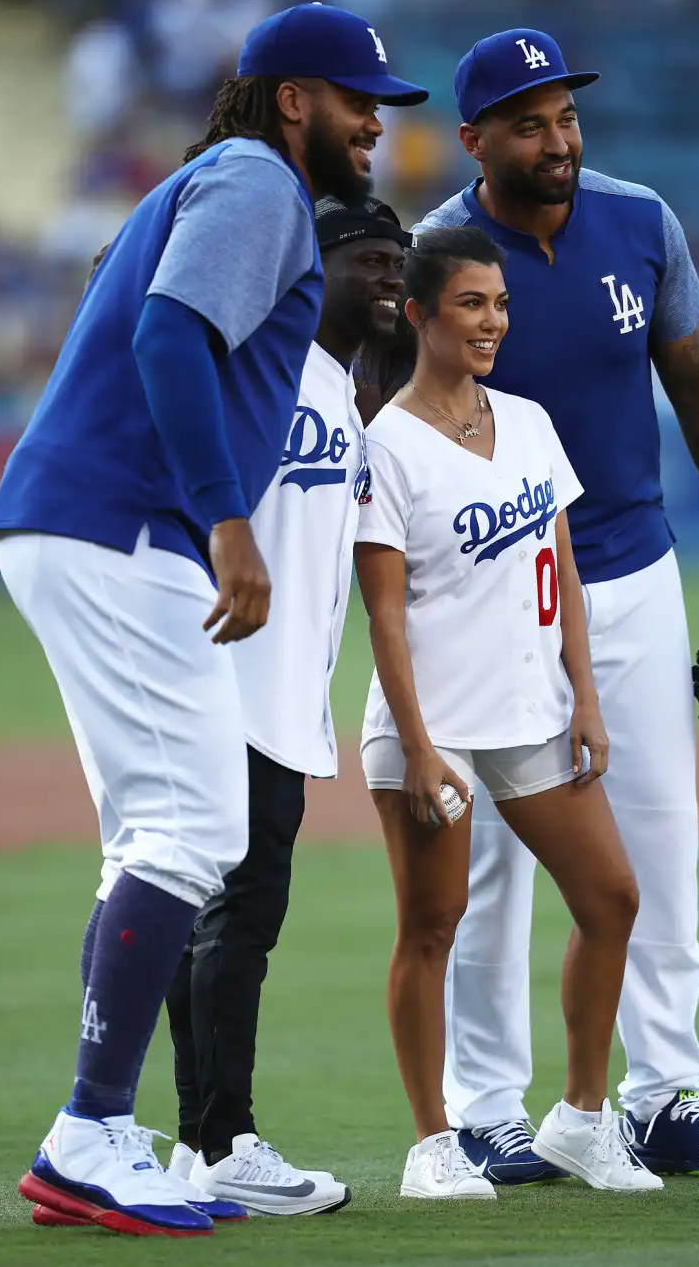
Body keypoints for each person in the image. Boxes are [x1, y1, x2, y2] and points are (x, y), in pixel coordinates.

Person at [0, 3, 427, 1238]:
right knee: (195, 825)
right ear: (294, 98)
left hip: (78, 517)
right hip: (126, 523)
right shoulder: (256, 182)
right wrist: (226, 521)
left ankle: (108, 1127)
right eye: (359, 101)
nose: (374, 128)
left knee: (153, 835)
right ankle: (87, 1132)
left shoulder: (211, 178)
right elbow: (171, 333)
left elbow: (129, 303)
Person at [416, 28, 699, 1184]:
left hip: (631, 569)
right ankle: (487, 1107)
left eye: (567, 116)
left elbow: (696, 376)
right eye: (529, 123)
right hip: (489, 588)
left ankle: (662, 1093)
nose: (558, 139)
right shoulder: (439, 251)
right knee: (495, 861)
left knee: (658, 838)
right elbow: (403, 425)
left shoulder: (643, 221)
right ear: (477, 138)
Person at [354, 226, 663, 1200]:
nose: (492, 321)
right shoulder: (388, 444)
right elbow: (385, 614)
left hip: (533, 712)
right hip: (430, 724)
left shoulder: (528, 420)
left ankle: (579, 1116)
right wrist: (416, 745)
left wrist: (587, 695)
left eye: (500, 304)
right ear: (420, 314)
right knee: (432, 925)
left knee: (611, 897)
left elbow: (562, 569)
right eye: (470, 304)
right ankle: (433, 1143)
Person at [162, 195, 410, 1216]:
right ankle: (228, 1139)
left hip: (277, 690)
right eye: (369, 259)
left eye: (400, 259)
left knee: (210, 915)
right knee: (241, 914)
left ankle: (194, 1144)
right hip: (232, 680)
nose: (391, 275)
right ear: (313, 265)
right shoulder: (264, 369)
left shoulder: (342, 389)